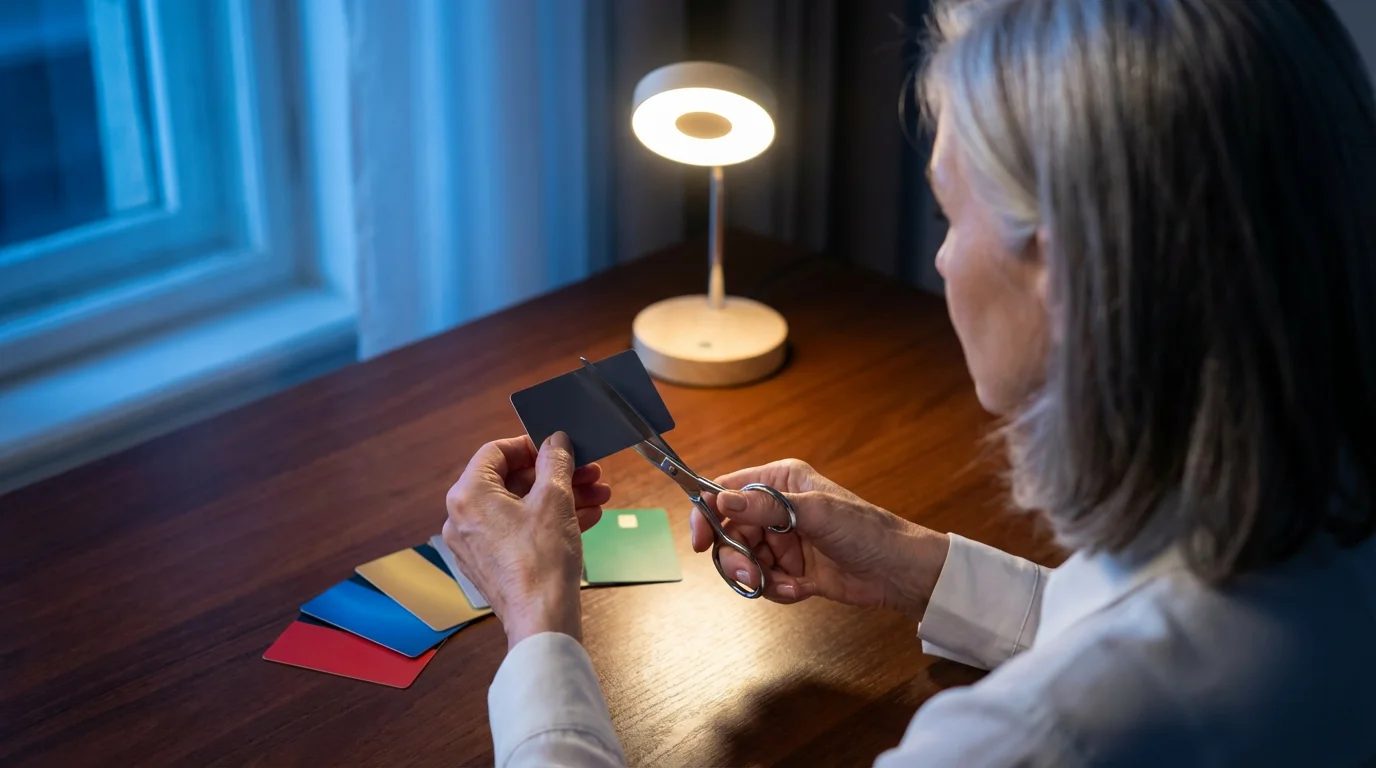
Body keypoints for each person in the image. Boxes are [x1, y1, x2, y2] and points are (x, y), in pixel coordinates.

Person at [441, 0, 1376, 764]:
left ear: (1063, 263)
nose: (937, 260)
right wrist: (912, 562)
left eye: (948, 210)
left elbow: (1109, 683)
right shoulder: (1314, 525)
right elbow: (1136, 627)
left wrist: (539, 627)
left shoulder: (1031, 741)